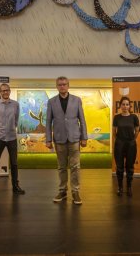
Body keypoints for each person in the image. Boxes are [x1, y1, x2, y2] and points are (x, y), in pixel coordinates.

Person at [46, 76, 88, 205]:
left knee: (75, 166)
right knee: (61, 167)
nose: (62, 86)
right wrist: (48, 139)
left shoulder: (76, 100)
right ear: (57, 86)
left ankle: (75, 192)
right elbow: (48, 122)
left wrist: (84, 137)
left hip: (74, 138)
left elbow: (82, 119)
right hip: (59, 139)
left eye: (64, 84)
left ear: (68, 85)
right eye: (60, 84)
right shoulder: (52, 102)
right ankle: (62, 191)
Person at [0, 83, 25, 197]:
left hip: (12, 138)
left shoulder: (15, 104)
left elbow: (16, 120)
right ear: (0, 92)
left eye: (7, 90)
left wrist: (10, 129)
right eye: (3, 91)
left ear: (9, 91)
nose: (5, 92)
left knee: (14, 163)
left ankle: (15, 186)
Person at [113, 96, 140, 197]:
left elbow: (137, 129)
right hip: (119, 144)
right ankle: (120, 187)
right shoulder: (116, 117)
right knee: (119, 167)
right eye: (123, 104)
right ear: (120, 106)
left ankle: (129, 187)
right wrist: (119, 139)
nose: (125, 106)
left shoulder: (134, 117)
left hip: (131, 144)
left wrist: (133, 139)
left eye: (127, 104)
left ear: (129, 106)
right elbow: (114, 132)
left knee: (130, 166)